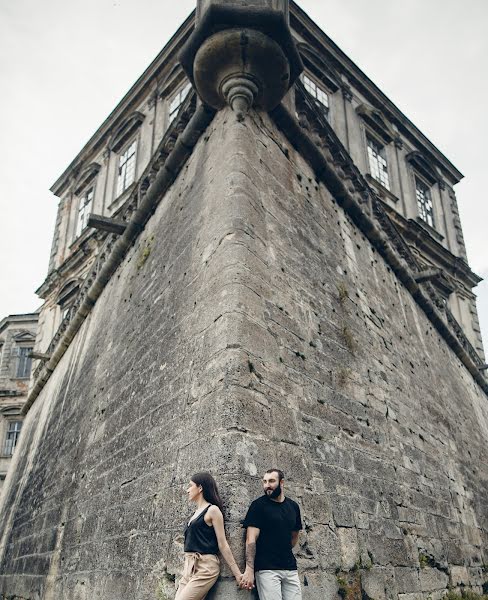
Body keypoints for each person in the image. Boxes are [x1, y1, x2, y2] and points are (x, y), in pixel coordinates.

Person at [175, 472, 243, 600]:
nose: (187, 490)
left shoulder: (212, 510)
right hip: (189, 566)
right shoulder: (195, 513)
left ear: (200, 488)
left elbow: (223, 544)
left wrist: (237, 574)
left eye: (190, 486)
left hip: (206, 566)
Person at [240, 469, 303, 600]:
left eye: (271, 481)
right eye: (265, 481)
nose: (267, 485)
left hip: (290, 569)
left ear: (282, 482)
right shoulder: (258, 506)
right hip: (267, 569)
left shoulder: (293, 507)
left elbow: (294, 535)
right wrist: (249, 569)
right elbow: (250, 539)